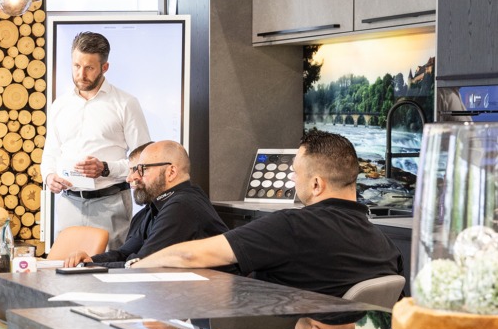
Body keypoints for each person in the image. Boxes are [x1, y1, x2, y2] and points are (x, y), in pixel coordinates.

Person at [132, 130, 403, 297]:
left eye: (295, 173)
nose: (293, 182)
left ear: (317, 184)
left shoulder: (294, 225)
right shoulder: (386, 246)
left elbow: (190, 254)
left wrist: (137, 266)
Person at [41, 31, 151, 250]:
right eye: (76, 66)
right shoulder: (59, 105)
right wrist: (49, 176)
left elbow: (144, 161)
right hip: (68, 204)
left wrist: (105, 168)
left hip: (110, 204)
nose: (81, 74)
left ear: (104, 67)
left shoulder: (126, 103)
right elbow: (51, 153)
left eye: (89, 68)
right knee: (64, 272)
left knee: (108, 275)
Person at [62, 140, 228, 268]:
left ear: (171, 172)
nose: (130, 178)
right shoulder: (151, 209)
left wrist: (89, 266)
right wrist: (91, 260)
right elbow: (126, 253)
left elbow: (142, 264)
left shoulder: (183, 206)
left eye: (142, 169)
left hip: (211, 304)